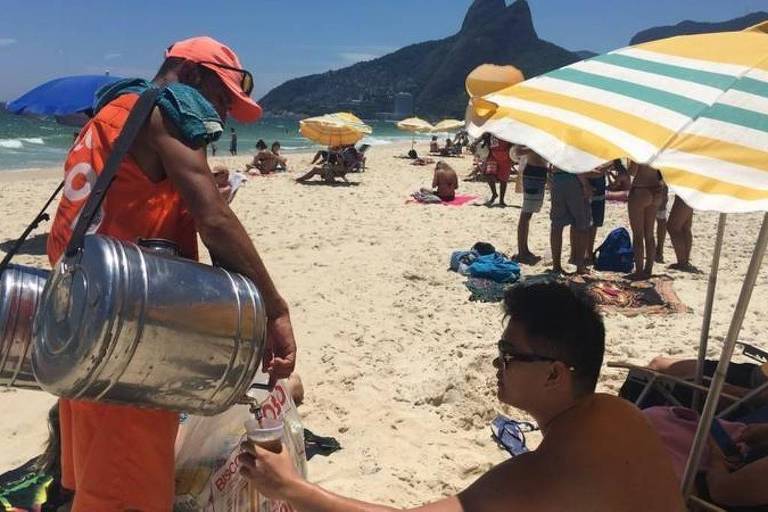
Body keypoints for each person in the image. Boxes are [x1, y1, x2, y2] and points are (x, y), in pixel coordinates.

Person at [45, 36, 297, 511]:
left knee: (97, 471)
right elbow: (214, 221)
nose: (220, 115)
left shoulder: (118, 110)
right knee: (126, 485)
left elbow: (125, 197)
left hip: (81, 312)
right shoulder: (164, 111)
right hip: (128, 329)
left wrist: (192, 190)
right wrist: (274, 309)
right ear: (192, 74)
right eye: (220, 98)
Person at [239, 282, 685, 511]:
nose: (497, 366)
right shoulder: (620, 413)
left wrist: (290, 487)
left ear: (554, 374)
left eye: (509, 355)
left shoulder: (543, 474)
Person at [550, 168, 592, 275]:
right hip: (573, 178)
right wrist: (585, 184)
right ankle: (580, 266)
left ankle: (556, 266)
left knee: (556, 225)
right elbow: (575, 164)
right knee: (582, 224)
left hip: (557, 178)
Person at [627, 162, 664, 280]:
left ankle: (639, 271)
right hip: (656, 189)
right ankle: (648, 269)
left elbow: (632, 171)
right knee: (649, 234)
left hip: (641, 189)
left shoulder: (639, 149)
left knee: (638, 235)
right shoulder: (659, 149)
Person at [514, 146, 547, 264]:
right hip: (533, 172)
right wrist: (534, 148)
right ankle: (522, 252)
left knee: (528, 214)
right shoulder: (532, 139)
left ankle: (524, 249)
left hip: (539, 173)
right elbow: (517, 151)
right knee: (526, 214)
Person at [667, 195, 696, 272]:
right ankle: (684, 261)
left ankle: (682, 262)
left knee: (673, 227)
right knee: (685, 227)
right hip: (692, 192)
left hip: (686, 193)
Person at [484, 134, 512, 207]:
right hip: (493, 155)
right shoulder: (492, 127)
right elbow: (485, 134)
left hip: (506, 156)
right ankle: (494, 194)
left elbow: (514, 141)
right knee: (489, 174)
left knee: (503, 179)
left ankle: (501, 200)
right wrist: (476, 143)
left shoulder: (507, 129)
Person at [655, 183, 669, 263]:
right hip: (662, 184)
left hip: (650, 184)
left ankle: (658, 251)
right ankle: (659, 251)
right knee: (661, 218)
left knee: (646, 220)